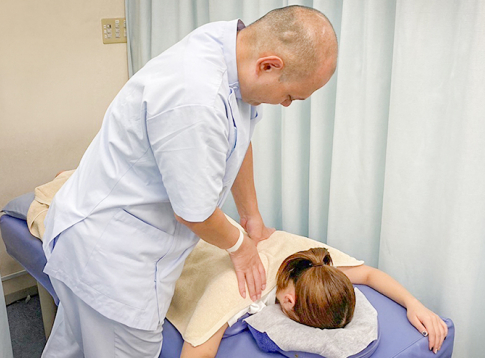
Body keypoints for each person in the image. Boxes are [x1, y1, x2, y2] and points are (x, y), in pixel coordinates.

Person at [40, 5, 338, 357]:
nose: (287, 105)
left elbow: (239, 137)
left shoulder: (234, 48)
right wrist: (241, 247)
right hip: (111, 258)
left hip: (92, 225)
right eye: (290, 95)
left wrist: (252, 216)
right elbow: (194, 212)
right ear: (268, 66)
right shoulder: (196, 99)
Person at [180, 248, 449, 357]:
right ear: (288, 300)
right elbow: (196, 352)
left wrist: (414, 304)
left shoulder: (315, 268)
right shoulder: (236, 289)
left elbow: (368, 274)